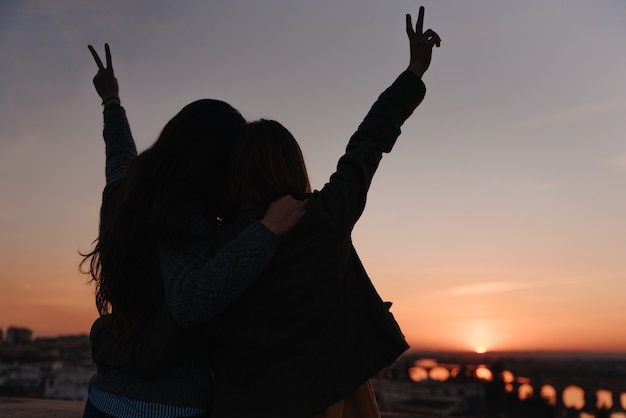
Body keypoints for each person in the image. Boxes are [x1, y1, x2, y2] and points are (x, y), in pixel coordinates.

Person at [93, 5, 441, 418]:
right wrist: (413, 73)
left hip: (192, 403)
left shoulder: (198, 232)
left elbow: (120, 161)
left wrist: (111, 101)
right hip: (313, 401)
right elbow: (366, 146)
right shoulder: (319, 218)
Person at [81, 44, 306, 418]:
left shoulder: (123, 197)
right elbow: (190, 301)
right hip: (171, 407)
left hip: (104, 400)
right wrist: (267, 230)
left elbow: (119, 154)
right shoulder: (187, 220)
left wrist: (111, 100)